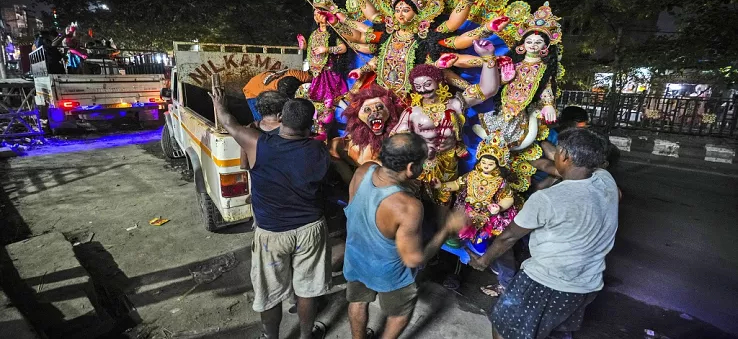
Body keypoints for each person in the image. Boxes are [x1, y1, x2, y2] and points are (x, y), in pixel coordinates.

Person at [468, 128, 619, 339]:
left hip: (546, 283)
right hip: (588, 283)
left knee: (503, 326)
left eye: (558, 151)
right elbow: (552, 167)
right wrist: (528, 153)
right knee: (555, 330)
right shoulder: (606, 181)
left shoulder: (546, 199)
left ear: (565, 156)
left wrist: (484, 260)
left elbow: (509, 237)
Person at [210, 89, 331, 339]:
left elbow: (228, 122)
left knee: (270, 293)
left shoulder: (257, 143)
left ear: (281, 119)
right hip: (310, 229)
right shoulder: (320, 151)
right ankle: (307, 335)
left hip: (272, 235)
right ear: (310, 125)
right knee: (307, 290)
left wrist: (219, 103)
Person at [343, 133, 469, 339]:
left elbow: (359, 210)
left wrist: (400, 187)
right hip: (389, 272)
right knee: (400, 314)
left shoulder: (363, 171)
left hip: (356, 258)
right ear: (411, 168)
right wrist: (447, 228)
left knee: (357, 301)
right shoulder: (408, 207)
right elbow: (414, 259)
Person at [239, 90, 289, 170]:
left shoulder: (250, 128)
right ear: (281, 113)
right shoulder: (289, 129)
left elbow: (244, 165)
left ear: (258, 111)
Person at [243, 69, 311, 119]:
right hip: (252, 91)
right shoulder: (269, 94)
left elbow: (316, 78)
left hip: (265, 79)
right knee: (263, 119)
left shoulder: (297, 74)